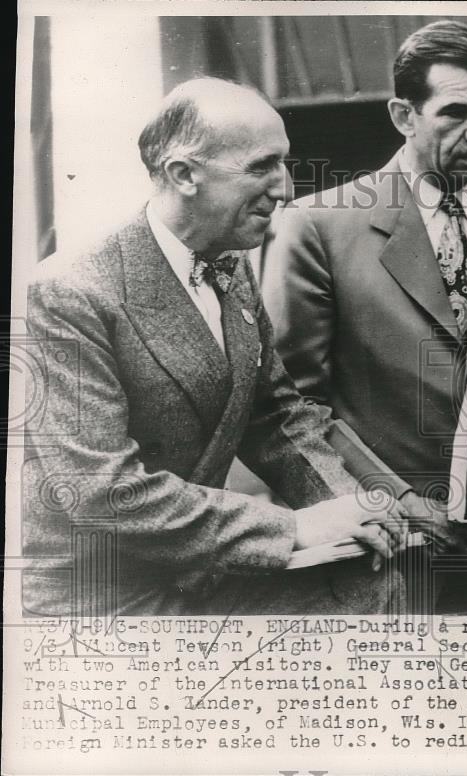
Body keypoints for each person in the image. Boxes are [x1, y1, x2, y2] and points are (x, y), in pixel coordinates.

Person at [21, 78, 408, 617]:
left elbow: (274, 415)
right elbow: (100, 492)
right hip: (100, 598)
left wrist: (350, 506)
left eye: (283, 164)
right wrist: (292, 527)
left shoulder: (228, 263)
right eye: (261, 167)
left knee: (371, 577)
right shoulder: (71, 292)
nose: (285, 189)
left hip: (197, 572)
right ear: (184, 175)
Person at [263, 20, 467, 613]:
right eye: (456, 113)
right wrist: (401, 501)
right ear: (403, 115)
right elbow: (294, 406)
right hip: (386, 547)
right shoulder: (316, 227)